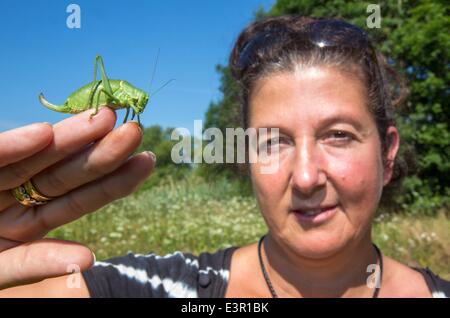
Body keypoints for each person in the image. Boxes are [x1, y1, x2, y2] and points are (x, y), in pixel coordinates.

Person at [0, 15, 449, 298]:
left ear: (387, 155)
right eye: (273, 141)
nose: (307, 177)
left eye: (338, 134)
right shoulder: (153, 289)